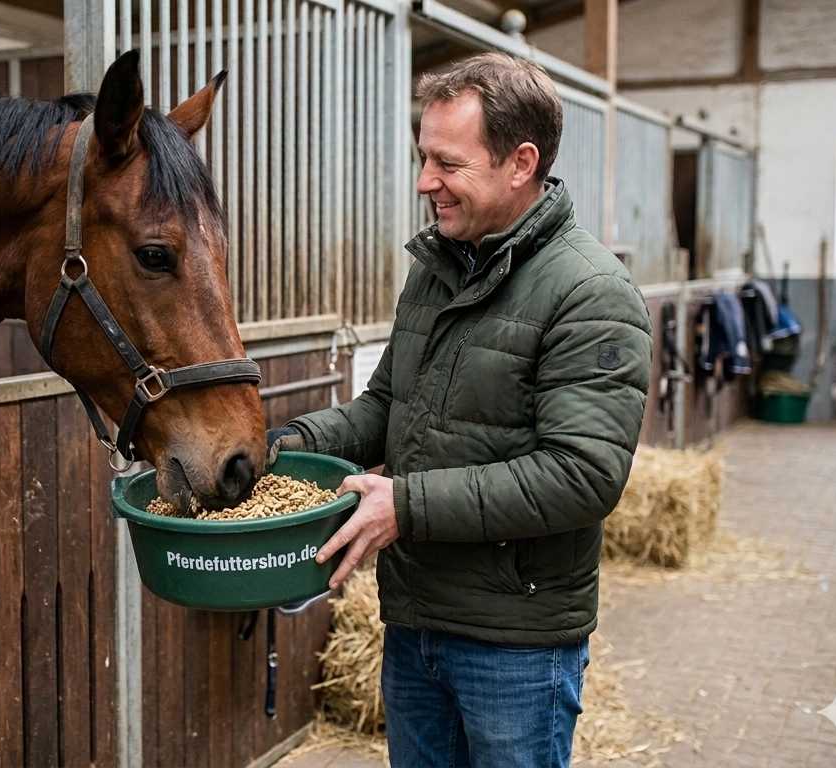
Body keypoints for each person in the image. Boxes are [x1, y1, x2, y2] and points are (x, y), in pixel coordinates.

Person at [267, 52, 651, 767]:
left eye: (447, 162)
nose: (424, 183)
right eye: (423, 157)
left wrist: (405, 507)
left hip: (515, 647)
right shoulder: (439, 267)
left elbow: (582, 475)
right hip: (416, 626)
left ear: (520, 162)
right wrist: (279, 446)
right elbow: (387, 406)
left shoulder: (590, 293)